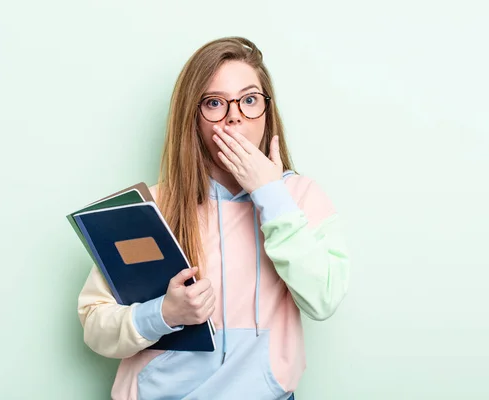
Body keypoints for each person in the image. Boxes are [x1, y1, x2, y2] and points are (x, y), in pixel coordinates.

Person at [77, 36, 351, 400]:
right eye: (215, 103)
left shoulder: (300, 197)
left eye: (250, 100)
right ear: (194, 118)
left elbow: (323, 298)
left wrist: (269, 193)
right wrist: (162, 313)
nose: (235, 115)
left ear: (266, 112)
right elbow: (95, 326)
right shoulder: (151, 207)